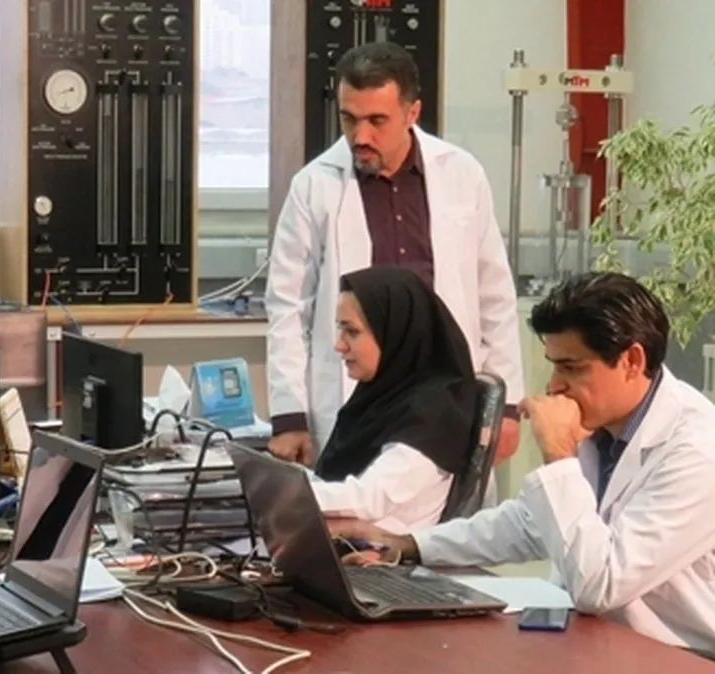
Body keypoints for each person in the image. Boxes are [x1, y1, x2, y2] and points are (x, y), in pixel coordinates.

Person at [334, 272, 715, 652]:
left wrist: (559, 455)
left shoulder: (698, 450)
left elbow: (601, 587)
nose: (553, 385)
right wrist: (410, 545)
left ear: (632, 360)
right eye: (554, 365)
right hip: (603, 641)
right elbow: (528, 523)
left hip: (684, 657)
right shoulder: (604, 428)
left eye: (571, 367)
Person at [264, 41, 523, 467]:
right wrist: (289, 416)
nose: (360, 137)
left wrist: (507, 405)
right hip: (356, 392)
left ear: (412, 112)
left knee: (450, 506)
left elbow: (494, 293)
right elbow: (288, 307)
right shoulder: (314, 186)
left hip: (444, 392)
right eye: (349, 119)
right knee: (354, 503)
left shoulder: (462, 174)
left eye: (376, 121)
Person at [310, 266, 481, 533]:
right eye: (340, 330)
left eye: (352, 332)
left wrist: (284, 492)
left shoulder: (434, 414)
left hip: (386, 554)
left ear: (394, 332)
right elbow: (331, 480)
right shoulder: (382, 397)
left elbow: (369, 500)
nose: (339, 344)